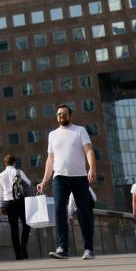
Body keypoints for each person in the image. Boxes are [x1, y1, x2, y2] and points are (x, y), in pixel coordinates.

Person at [37, 104, 97, 260]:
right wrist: (45, 180)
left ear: (71, 116)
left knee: (84, 212)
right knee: (59, 210)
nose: (61, 116)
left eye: (64, 114)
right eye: (58, 114)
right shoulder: (52, 135)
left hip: (79, 177)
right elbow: (50, 159)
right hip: (60, 177)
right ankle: (62, 248)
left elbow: (89, 150)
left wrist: (92, 168)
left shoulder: (80, 130)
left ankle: (89, 249)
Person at [0, 154, 34, 260]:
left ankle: (18, 254)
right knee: (26, 225)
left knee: (14, 228)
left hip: (8, 203)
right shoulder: (19, 172)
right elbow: (29, 183)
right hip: (20, 201)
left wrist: (1, 205)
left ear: (5, 163)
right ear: (15, 162)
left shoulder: (0, 175)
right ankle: (23, 247)